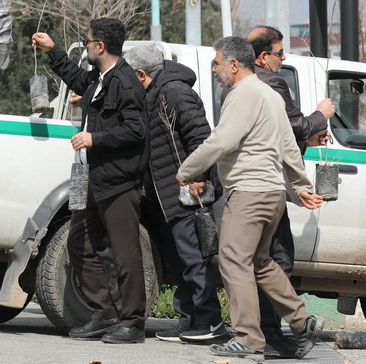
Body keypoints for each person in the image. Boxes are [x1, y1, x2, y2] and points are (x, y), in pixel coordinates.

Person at [177, 37, 325, 362]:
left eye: (217, 63)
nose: (214, 70)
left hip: (248, 192)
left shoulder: (242, 94)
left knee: (233, 261)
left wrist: (187, 170)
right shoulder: (270, 94)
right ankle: (303, 322)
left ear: (233, 64)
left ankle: (247, 339)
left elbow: (222, 141)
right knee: (260, 262)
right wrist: (300, 186)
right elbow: (289, 145)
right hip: (272, 193)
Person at [32, 19, 149, 344]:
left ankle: (133, 323)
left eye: (87, 42)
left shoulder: (125, 82)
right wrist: (52, 50)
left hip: (117, 183)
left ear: (101, 46)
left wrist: (94, 139)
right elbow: (75, 77)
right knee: (79, 244)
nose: (85, 47)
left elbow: (136, 130)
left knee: (125, 254)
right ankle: (104, 314)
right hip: (88, 179)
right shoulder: (99, 79)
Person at [123, 43, 225, 345]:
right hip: (168, 197)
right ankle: (189, 322)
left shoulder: (175, 92)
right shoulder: (153, 92)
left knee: (195, 260)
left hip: (187, 194)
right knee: (182, 262)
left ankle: (210, 323)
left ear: (141, 74)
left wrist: (198, 178)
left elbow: (201, 138)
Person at [245, 25, 333, 348]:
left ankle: (263, 331)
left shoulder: (246, 84)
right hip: (269, 185)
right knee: (276, 259)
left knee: (259, 259)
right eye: (280, 53)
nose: (283, 59)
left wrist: (307, 138)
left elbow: (278, 135)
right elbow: (295, 126)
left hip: (251, 184)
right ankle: (269, 332)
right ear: (262, 56)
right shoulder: (272, 83)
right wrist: (321, 115)